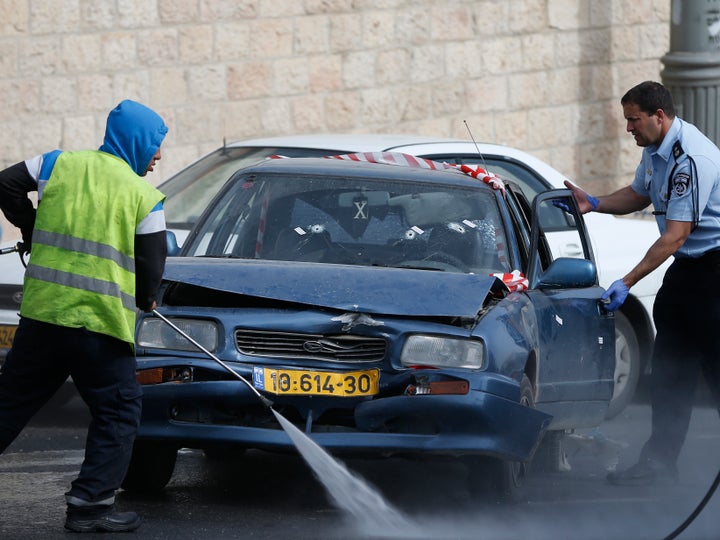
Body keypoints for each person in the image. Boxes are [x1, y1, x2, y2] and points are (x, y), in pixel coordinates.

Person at [0, 100, 168, 532]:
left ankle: (90, 501)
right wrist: (147, 297)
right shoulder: (143, 197)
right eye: (156, 146)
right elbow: (151, 266)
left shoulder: (57, 164)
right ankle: (90, 505)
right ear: (138, 142)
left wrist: (30, 227)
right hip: (98, 327)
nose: (158, 157)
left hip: (43, 317)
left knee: (10, 405)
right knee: (119, 410)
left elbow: (5, 184)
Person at [565, 80, 720, 486]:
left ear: (659, 116)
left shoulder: (691, 158)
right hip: (688, 273)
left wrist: (627, 281)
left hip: (715, 272)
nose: (629, 128)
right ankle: (659, 464)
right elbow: (638, 195)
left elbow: (676, 235)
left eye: (634, 120)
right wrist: (594, 203)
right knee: (670, 373)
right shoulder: (655, 152)